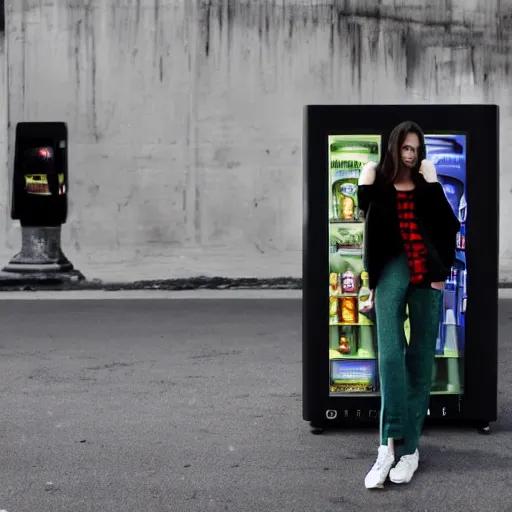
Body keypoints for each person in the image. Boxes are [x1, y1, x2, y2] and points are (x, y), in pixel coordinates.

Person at [357, 121, 460, 489]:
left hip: (427, 274)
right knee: (389, 357)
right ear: (394, 147)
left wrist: (431, 183)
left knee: (420, 361)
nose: (410, 154)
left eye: (416, 148)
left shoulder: (425, 182)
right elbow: (366, 226)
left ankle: (410, 450)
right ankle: (387, 447)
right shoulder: (378, 179)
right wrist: (370, 284)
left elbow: (448, 227)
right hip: (390, 272)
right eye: (405, 147)